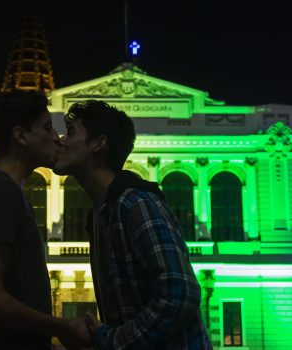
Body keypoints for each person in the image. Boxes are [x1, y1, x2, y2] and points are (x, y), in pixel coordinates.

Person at [54, 100, 211, 349]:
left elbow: (179, 295)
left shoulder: (136, 203)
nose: (60, 140)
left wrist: (108, 341)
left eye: (71, 132)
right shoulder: (102, 213)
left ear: (98, 143)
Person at [0, 90, 90, 349]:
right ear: (20, 136)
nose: (57, 137)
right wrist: (61, 325)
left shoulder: (9, 193)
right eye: (47, 127)